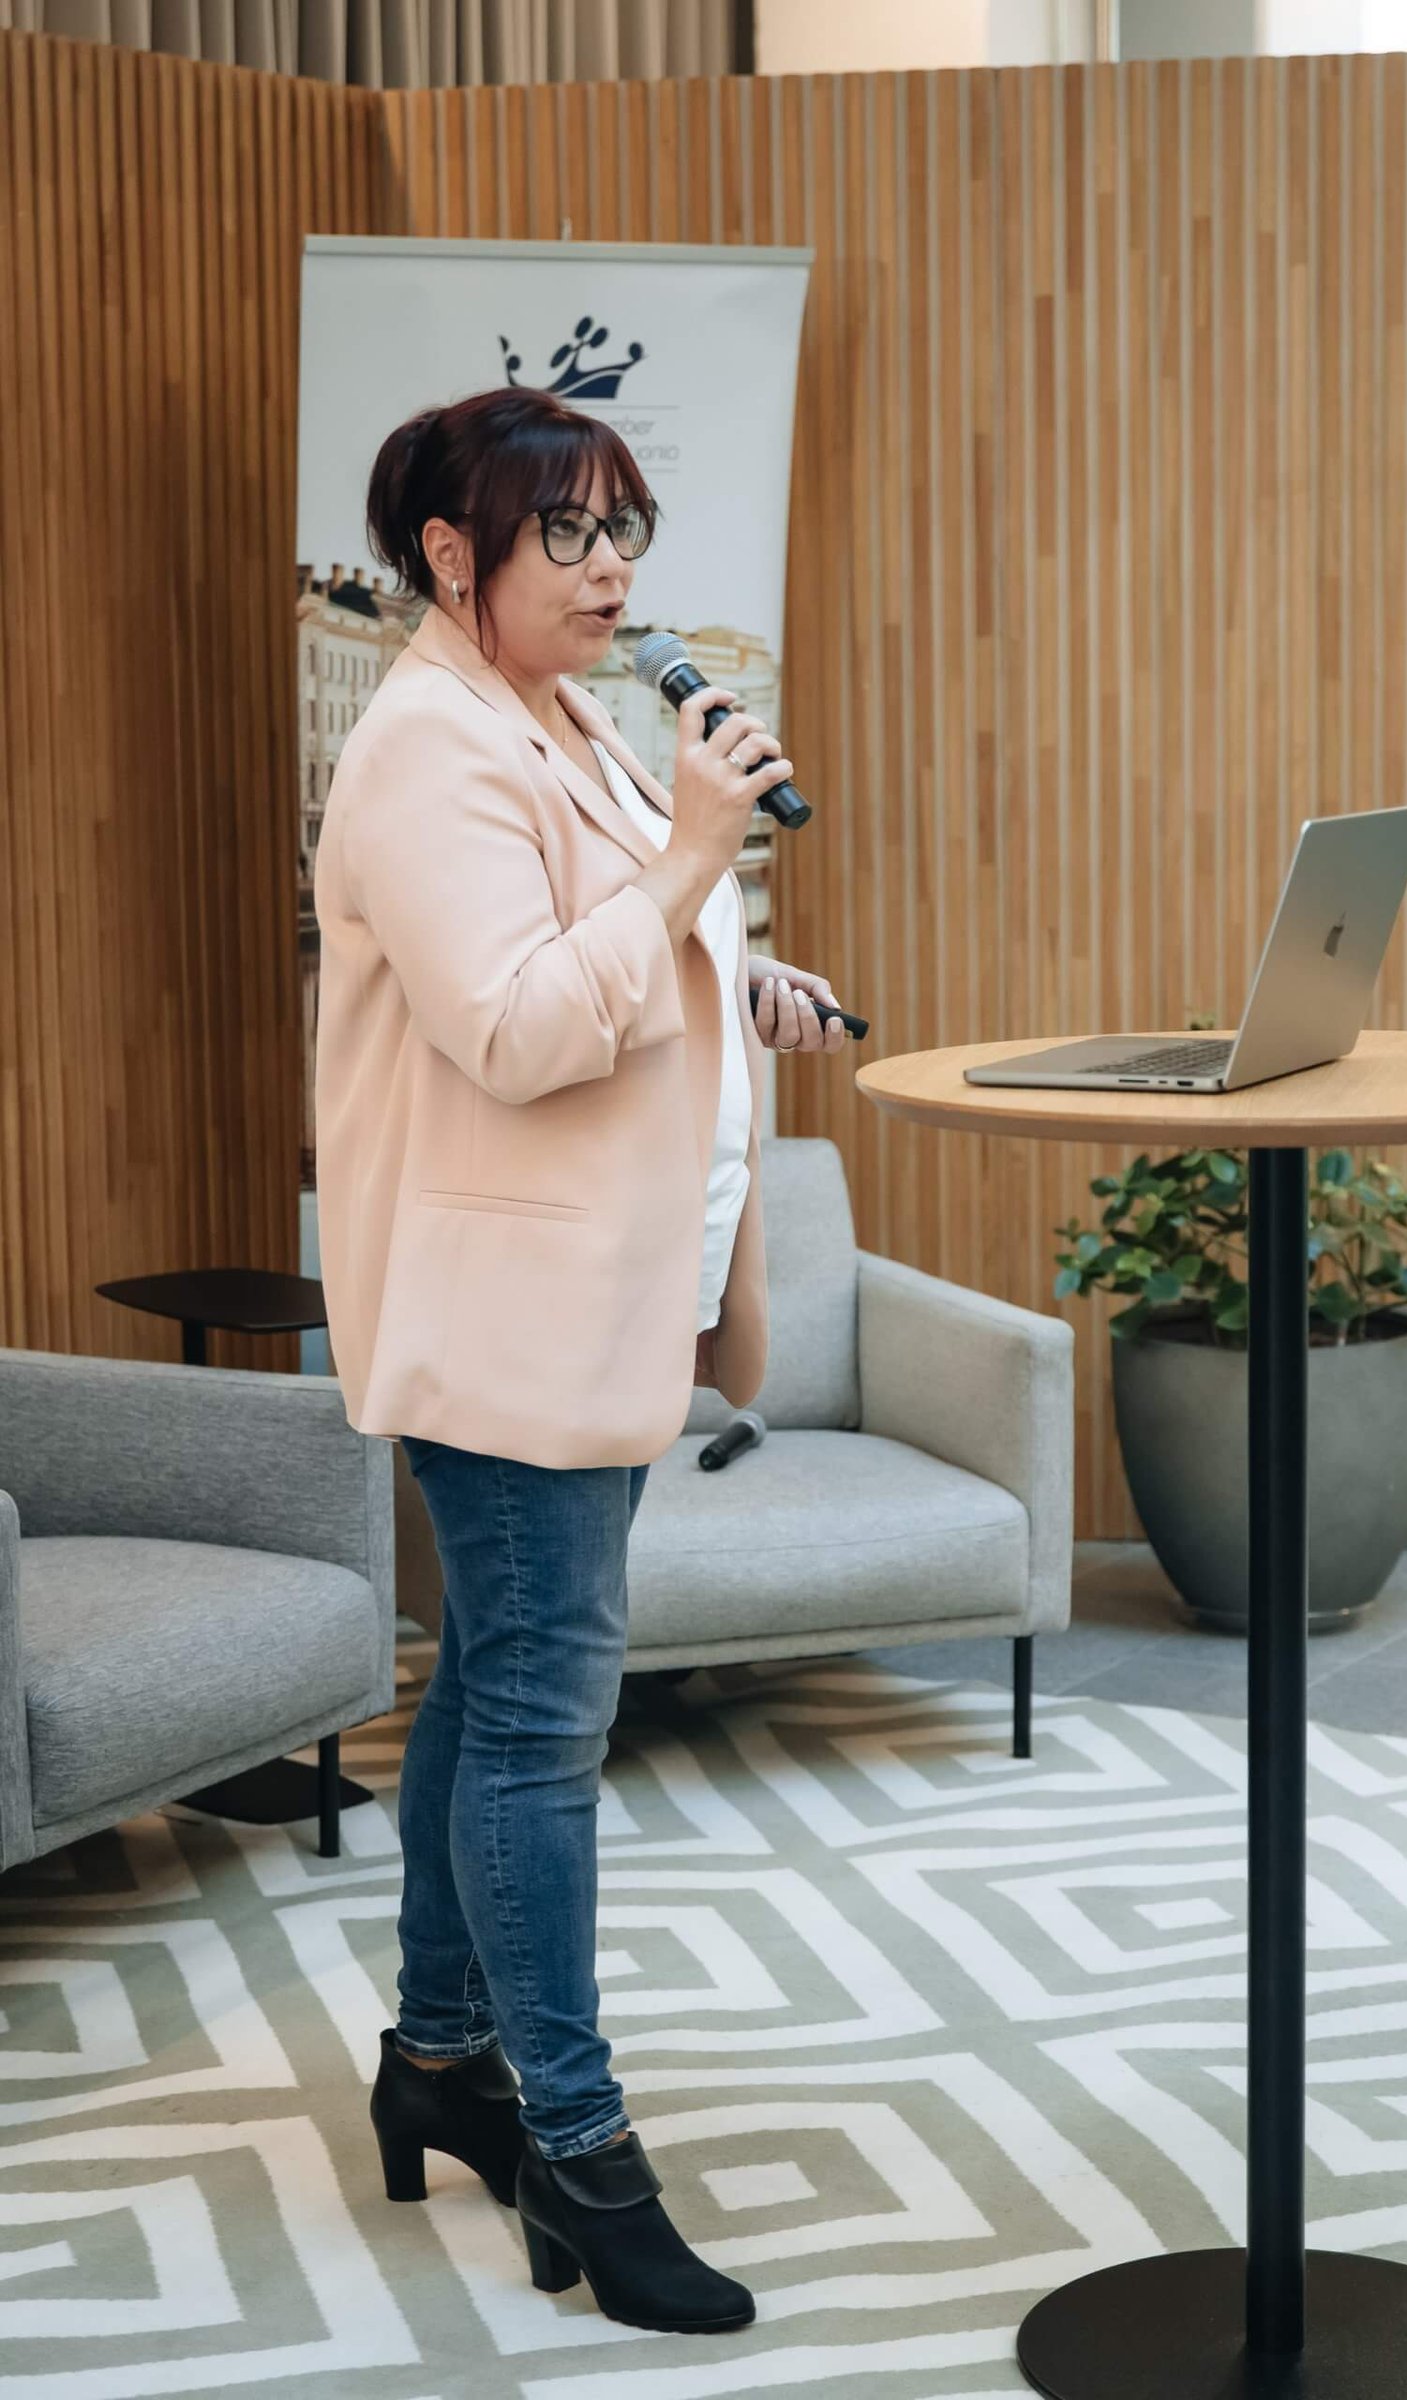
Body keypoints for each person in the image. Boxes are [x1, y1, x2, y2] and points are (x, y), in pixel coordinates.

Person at [312, 385, 846, 2334]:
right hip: (506, 1317)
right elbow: (523, 1029)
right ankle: (579, 2151)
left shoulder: (555, 711)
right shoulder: (422, 751)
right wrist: (696, 861)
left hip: (602, 1290)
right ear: (452, 555)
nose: (612, 567)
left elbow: (600, 940)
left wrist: (735, 972)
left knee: (494, 1680)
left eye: (624, 528)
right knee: (541, 1727)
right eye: (569, 533)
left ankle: (439, 2056)